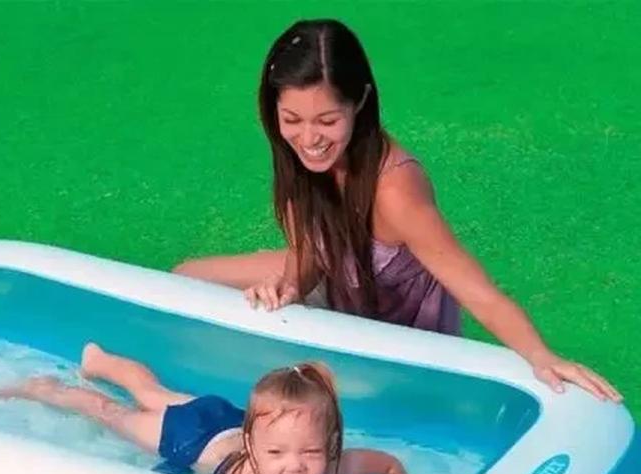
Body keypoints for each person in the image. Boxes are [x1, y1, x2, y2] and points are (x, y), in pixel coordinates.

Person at [173, 19, 621, 403]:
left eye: (327, 121)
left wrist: (542, 356)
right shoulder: (297, 159)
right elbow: (308, 252)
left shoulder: (394, 190)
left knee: (326, 395)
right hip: (339, 284)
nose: (309, 139)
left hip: (395, 333)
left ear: (360, 102)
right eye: (292, 120)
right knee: (187, 276)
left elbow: (478, 292)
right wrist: (290, 284)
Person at [0, 343, 431, 474]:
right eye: (276, 454)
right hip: (189, 437)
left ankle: (100, 362)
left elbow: (388, 465)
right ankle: (45, 388)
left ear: (332, 447)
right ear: (254, 448)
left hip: (228, 418)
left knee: (153, 392)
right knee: (111, 412)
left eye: (311, 452)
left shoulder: (333, 466)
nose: (295, 467)